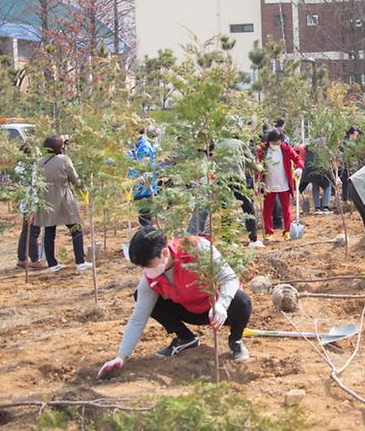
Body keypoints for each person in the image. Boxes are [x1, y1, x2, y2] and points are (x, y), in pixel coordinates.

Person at [96, 228, 252, 379]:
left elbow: (229, 278)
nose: (147, 271)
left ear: (164, 253)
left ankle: (235, 340)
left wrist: (222, 304)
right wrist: (121, 356)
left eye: (149, 265)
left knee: (242, 301)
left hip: (216, 310)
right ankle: (186, 339)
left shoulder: (198, 248)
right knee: (142, 296)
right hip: (188, 310)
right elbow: (138, 318)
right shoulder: (151, 277)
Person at [30, 135, 91, 272]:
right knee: (76, 229)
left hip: (46, 202)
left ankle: (52, 264)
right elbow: (75, 179)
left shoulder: (39, 163)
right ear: (59, 147)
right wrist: (85, 188)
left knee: (49, 232)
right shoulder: (64, 160)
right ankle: (80, 261)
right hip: (64, 200)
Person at [215, 136, 263, 248]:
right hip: (237, 178)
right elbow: (250, 161)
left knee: (225, 209)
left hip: (222, 179)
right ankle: (253, 239)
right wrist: (258, 168)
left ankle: (227, 241)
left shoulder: (218, 145)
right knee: (247, 206)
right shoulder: (240, 143)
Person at [256, 129, 303, 241]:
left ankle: (287, 231)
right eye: (274, 143)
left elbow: (297, 158)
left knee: (286, 210)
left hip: (283, 184)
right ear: (269, 141)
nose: (276, 145)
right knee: (267, 211)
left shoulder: (285, 148)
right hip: (268, 185)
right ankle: (269, 232)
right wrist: (258, 168)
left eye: (278, 142)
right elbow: (256, 161)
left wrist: (299, 168)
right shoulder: (263, 150)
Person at [128, 126, 159, 227]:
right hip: (139, 188)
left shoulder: (144, 147)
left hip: (145, 188)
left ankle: (148, 234)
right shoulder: (137, 146)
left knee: (145, 217)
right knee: (143, 217)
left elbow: (140, 167)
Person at [300, 137, 333, 215]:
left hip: (311, 172)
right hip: (320, 171)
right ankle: (325, 207)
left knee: (315, 188)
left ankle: (317, 208)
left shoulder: (309, 150)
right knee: (328, 187)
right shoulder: (323, 150)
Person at [340, 125, 363, 204]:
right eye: (356, 133)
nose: (357, 135)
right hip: (346, 165)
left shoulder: (354, 142)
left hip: (353, 165)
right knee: (346, 182)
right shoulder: (346, 142)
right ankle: (345, 199)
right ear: (351, 133)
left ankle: (350, 198)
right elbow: (342, 154)